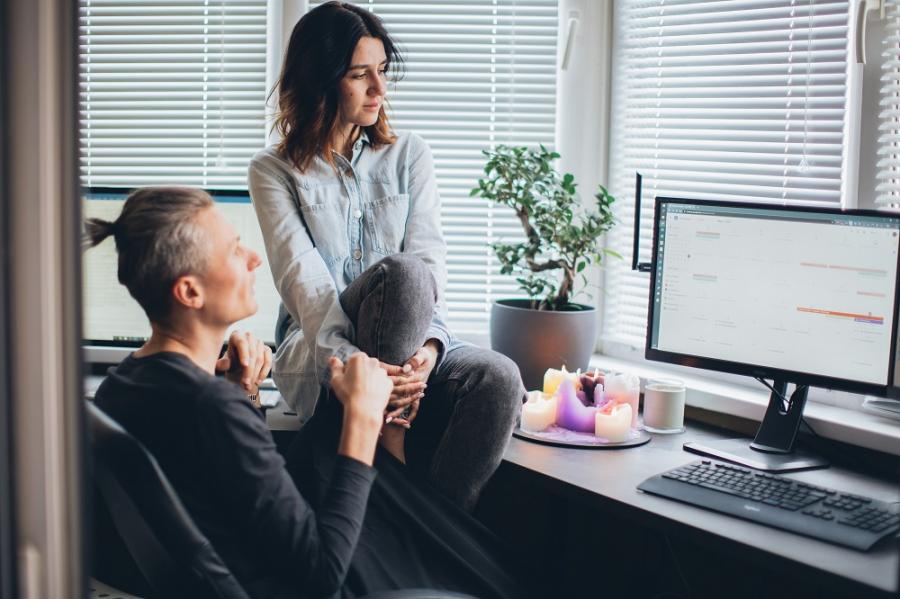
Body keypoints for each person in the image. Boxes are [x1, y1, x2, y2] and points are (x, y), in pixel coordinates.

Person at [87, 187, 529, 598]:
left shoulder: (121, 388)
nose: (254, 259)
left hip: (262, 557)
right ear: (189, 291)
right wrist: (361, 418)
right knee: (500, 572)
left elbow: (234, 496)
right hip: (306, 579)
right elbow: (318, 578)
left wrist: (244, 393)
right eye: (232, 250)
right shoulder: (208, 406)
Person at [249, 0, 524, 512]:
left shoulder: (410, 153)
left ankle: (436, 533)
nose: (380, 89)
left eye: (382, 72)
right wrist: (362, 372)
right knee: (400, 275)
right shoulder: (274, 171)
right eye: (360, 76)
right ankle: (387, 443)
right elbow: (308, 288)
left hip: (414, 344)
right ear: (320, 82)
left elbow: (431, 263)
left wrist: (430, 351)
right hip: (324, 352)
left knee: (500, 377)